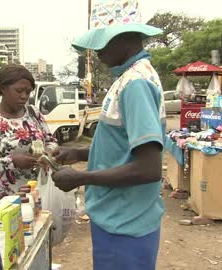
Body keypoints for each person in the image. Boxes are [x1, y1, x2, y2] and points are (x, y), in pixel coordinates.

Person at [52, 23, 165, 270]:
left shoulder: (136, 84)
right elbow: (124, 149)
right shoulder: (129, 77)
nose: (98, 53)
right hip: (118, 217)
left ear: (124, 40)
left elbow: (149, 168)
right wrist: (78, 153)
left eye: (103, 44)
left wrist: (81, 178)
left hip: (124, 223)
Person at [0, 64, 57, 203]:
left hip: (38, 194)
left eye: (28, 92)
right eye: (19, 91)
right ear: (3, 88)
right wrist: (12, 161)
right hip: (4, 201)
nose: (24, 96)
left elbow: (51, 141)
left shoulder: (34, 114)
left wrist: (48, 153)